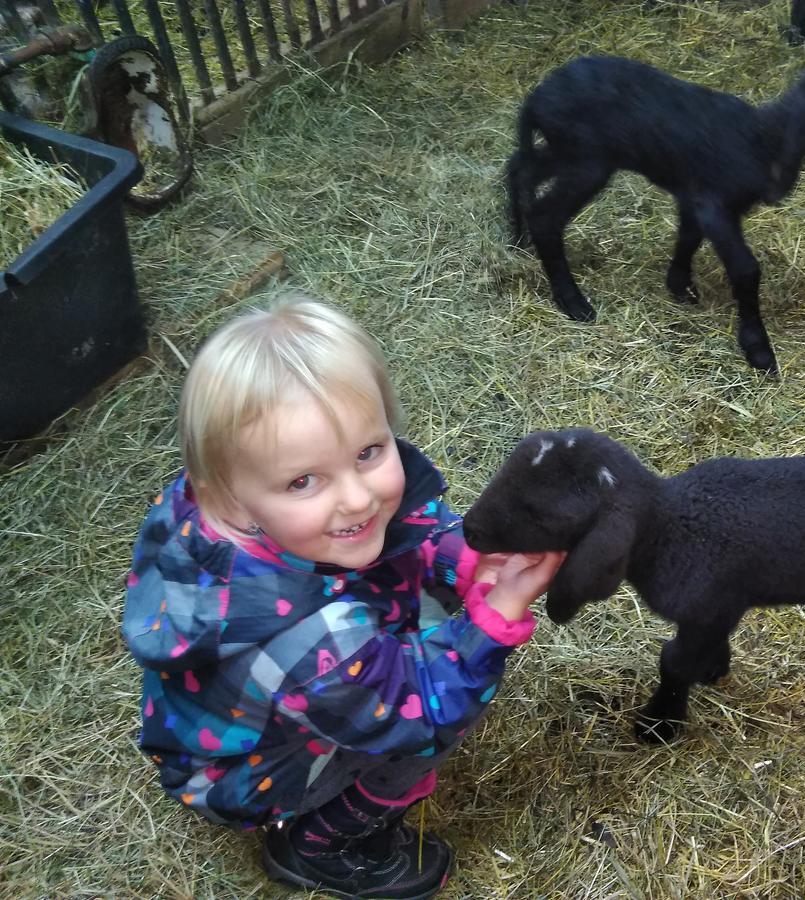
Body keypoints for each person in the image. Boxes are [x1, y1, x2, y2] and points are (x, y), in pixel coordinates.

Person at [122, 294, 564, 899]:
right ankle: (317, 843)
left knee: (409, 589)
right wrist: (492, 620)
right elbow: (423, 712)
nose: (357, 498)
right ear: (228, 499)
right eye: (303, 481)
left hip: (235, 713)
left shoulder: (218, 507)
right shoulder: (312, 640)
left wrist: (463, 558)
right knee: (439, 715)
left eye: (368, 452)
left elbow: (409, 521)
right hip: (244, 774)